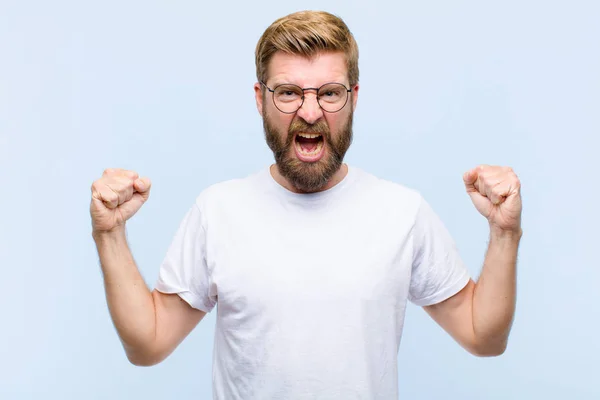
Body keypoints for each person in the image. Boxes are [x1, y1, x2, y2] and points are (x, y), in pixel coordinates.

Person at [90, 10, 523, 399]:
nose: (311, 112)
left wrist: (505, 233)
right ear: (260, 99)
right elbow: (147, 345)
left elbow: (483, 337)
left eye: (330, 93)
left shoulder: (402, 212)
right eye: (289, 93)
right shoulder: (218, 211)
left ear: (354, 97)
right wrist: (109, 233)